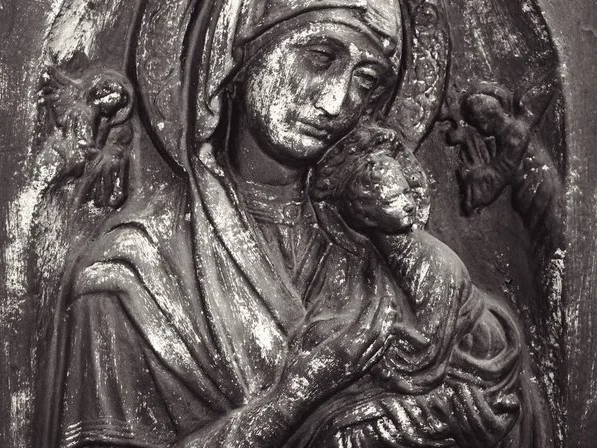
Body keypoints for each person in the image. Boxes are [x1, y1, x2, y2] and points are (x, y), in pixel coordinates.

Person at [33, 0, 554, 447]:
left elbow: (507, 404)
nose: (335, 102)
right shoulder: (128, 273)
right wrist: (298, 396)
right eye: (319, 57)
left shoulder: (398, 256)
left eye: (366, 81)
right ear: (237, 52)